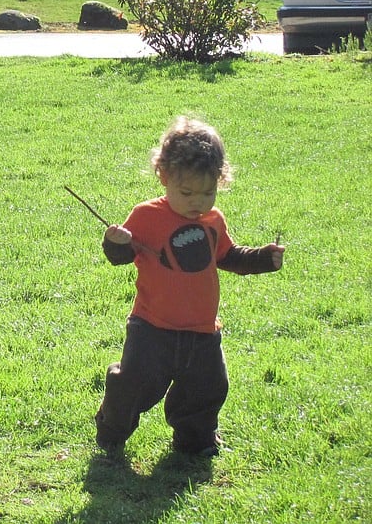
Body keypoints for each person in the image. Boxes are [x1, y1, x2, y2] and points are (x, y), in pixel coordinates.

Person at [95, 116, 284, 456]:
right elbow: (121, 256)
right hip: (152, 328)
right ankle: (112, 428)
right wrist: (116, 241)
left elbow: (228, 256)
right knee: (137, 386)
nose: (197, 202)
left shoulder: (213, 221)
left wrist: (261, 258)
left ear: (220, 181)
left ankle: (195, 442)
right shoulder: (147, 216)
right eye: (187, 193)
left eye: (208, 192)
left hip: (201, 330)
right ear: (164, 177)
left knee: (207, 387)